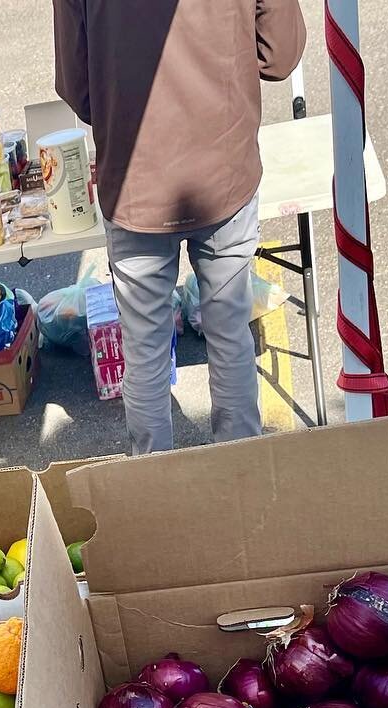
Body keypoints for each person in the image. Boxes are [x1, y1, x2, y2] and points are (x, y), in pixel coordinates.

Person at [52, 0, 306, 453]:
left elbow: (79, 89)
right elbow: (280, 55)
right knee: (229, 333)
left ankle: (155, 487)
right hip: (222, 170)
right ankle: (240, 473)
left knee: (144, 351)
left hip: (136, 181)